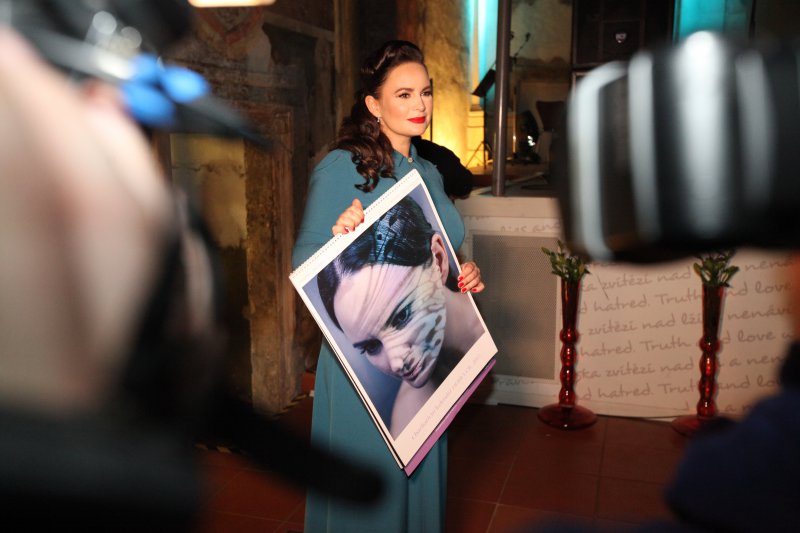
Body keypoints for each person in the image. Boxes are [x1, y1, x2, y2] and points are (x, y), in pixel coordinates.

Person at [292, 40, 485, 532]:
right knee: (369, 506)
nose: (420, 105)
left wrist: (463, 273)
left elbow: (440, 251)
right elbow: (304, 264)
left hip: (429, 368)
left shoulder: (429, 171)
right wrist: (340, 237)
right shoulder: (344, 167)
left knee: (416, 491)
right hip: (363, 371)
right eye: (404, 94)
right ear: (374, 105)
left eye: (426, 92)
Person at [317, 196, 484, 437]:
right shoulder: (409, 416)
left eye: (402, 316)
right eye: (372, 346)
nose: (396, 363)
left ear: (438, 260)